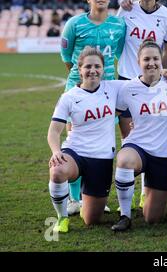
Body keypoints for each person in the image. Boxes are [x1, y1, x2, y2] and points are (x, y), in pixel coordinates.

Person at [60, 0, 126, 216]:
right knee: (75, 139)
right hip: (78, 88)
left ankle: (93, 194)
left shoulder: (118, 24)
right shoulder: (74, 24)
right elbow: (67, 57)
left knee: (101, 139)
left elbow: (119, 53)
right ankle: (73, 199)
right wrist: (79, 78)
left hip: (107, 89)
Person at [48, 47, 125, 233]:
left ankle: (86, 201)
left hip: (102, 158)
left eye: (97, 66)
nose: (93, 70)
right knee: (57, 170)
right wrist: (57, 152)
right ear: (79, 69)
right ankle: (62, 217)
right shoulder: (69, 97)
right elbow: (54, 131)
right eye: (88, 66)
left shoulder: (113, 88)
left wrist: (164, 71)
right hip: (76, 153)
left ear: (103, 68)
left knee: (91, 220)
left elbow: (143, 82)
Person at [117, 0, 167, 209]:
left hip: (152, 85)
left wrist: (159, 72)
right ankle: (125, 200)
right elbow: (116, 39)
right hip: (126, 81)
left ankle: (144, 192)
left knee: (151, 137)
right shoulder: (126, 11)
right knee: (128, 137)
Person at [111, 39, 167, 231]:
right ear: (138, 61)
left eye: (155, 58)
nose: (152, 63)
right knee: (124, 161)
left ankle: (151, 196)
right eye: (146, 59)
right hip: (138, 147)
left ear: (162, 60)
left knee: (152, 219)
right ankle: (125, 215)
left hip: (163, 154)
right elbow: (112, 115)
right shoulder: (128, 88)